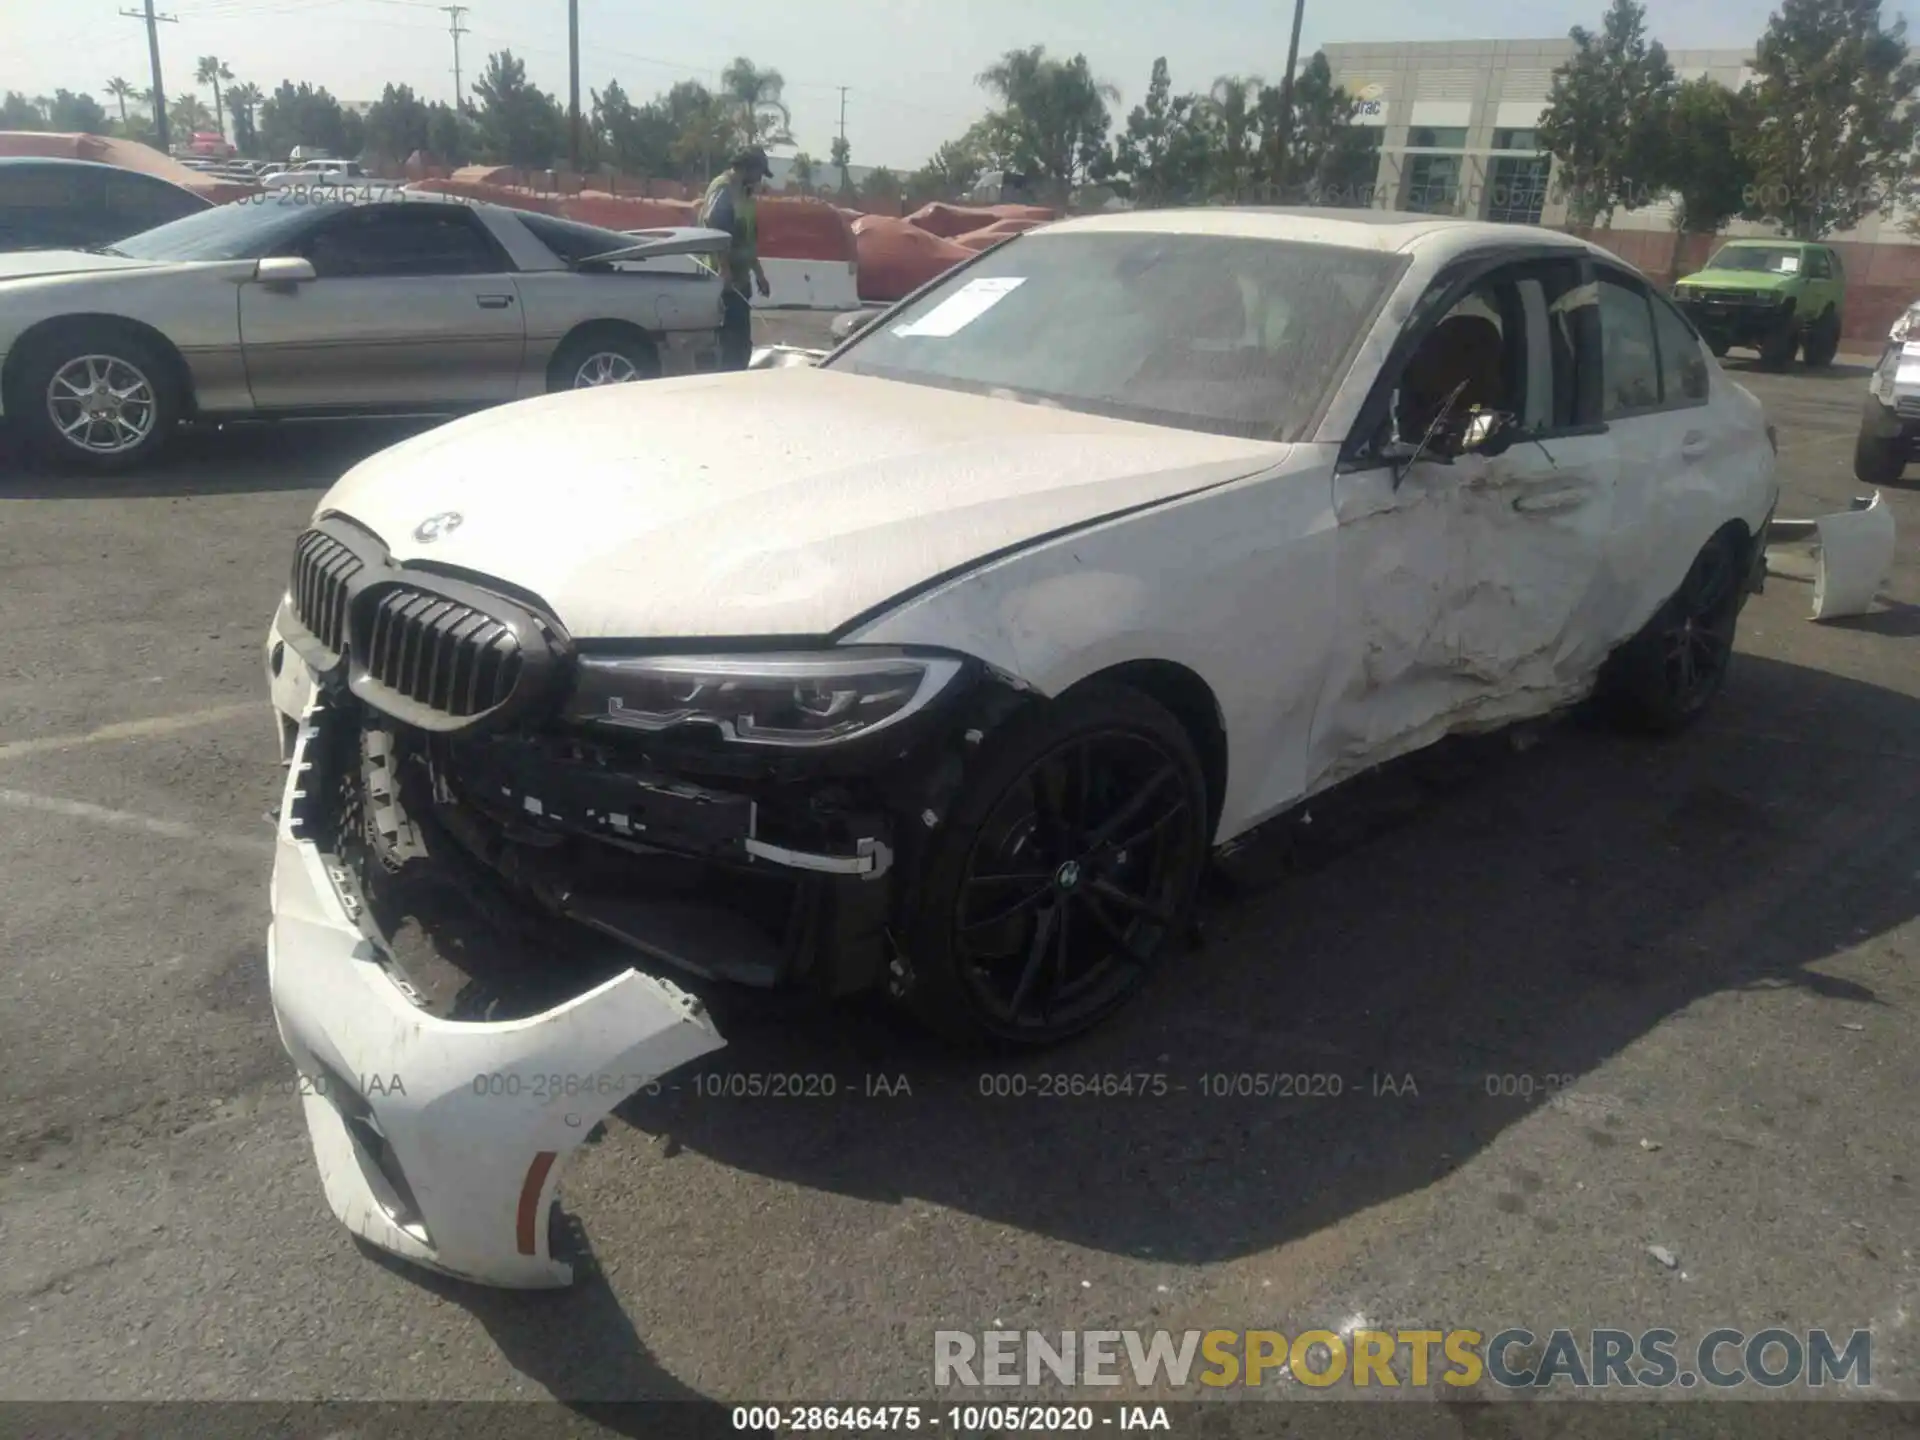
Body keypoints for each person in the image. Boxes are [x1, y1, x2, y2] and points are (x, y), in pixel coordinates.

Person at [699, 147, 773, 369]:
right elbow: (717, 229)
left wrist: (759, 274)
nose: (760, 179)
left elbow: (746, 239)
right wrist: (724, 269)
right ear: (748, 168)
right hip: (723, 281)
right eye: (759, 172)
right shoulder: (724, 189)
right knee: (729, 343)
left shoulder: (745, 193)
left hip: (741, 279)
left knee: (741, 342)